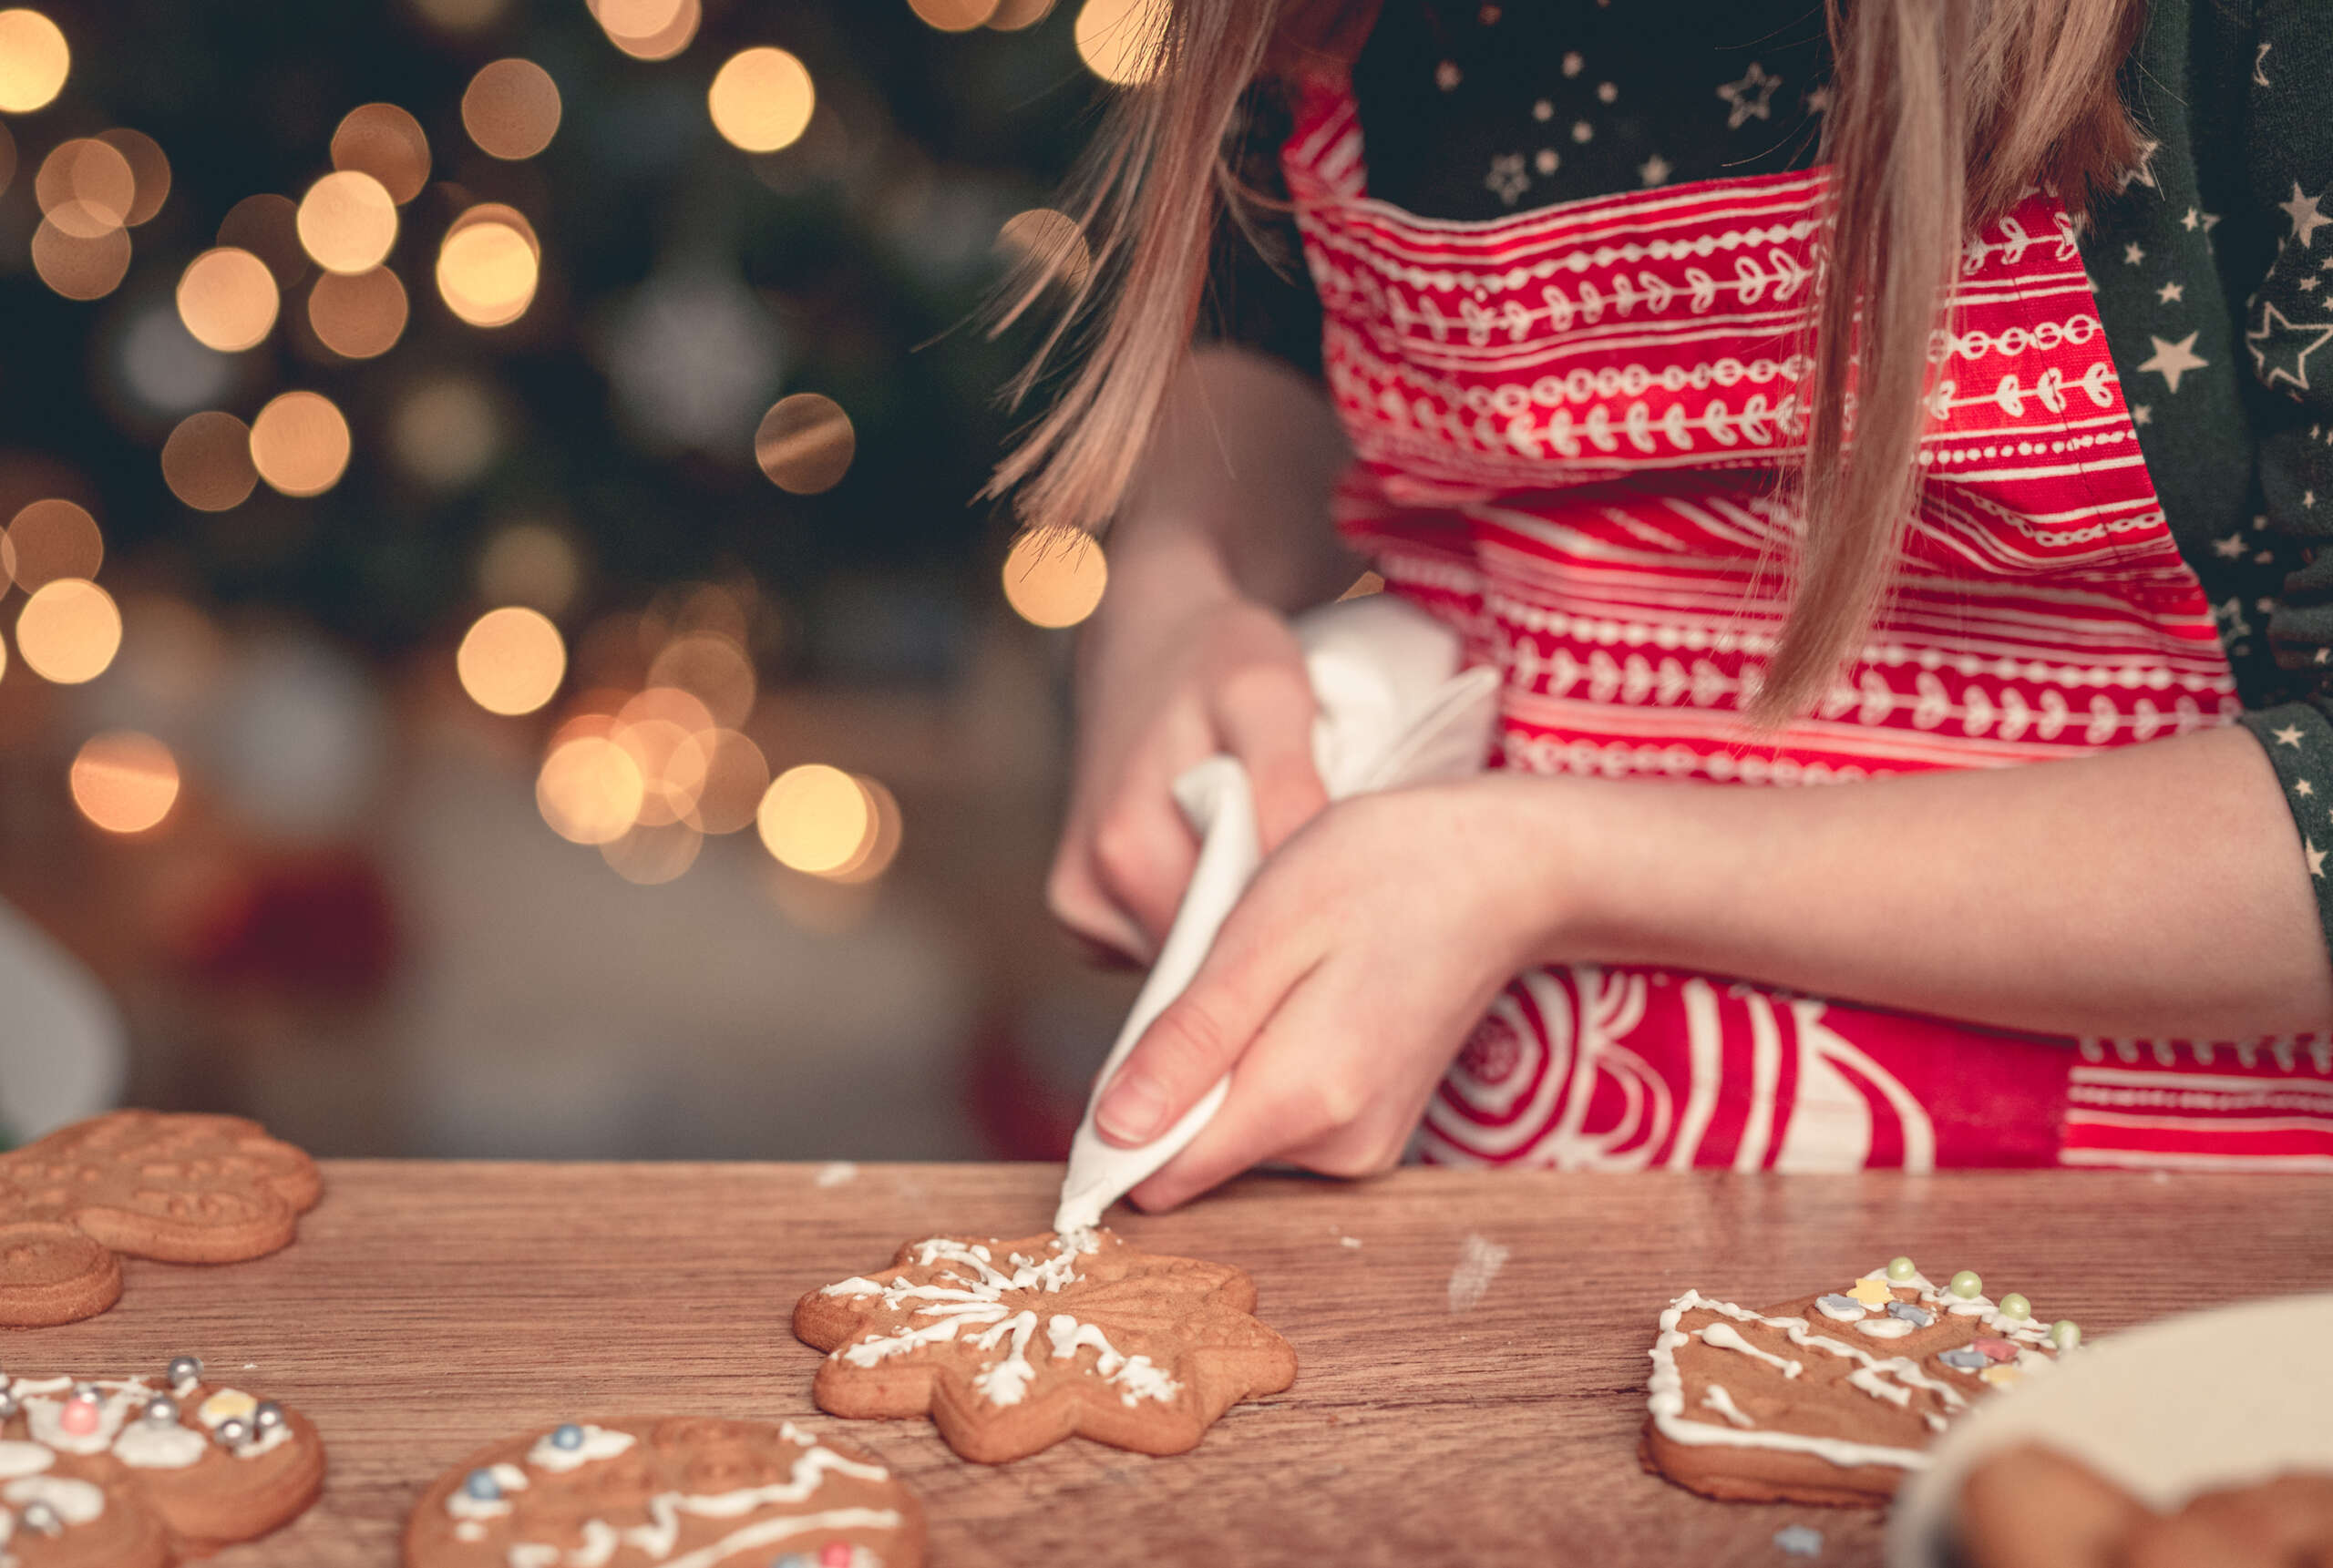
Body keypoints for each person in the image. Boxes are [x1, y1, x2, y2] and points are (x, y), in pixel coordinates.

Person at [997, 0, 2333, 1204]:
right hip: (1493, 1203)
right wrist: (1178, 577)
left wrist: (1552, 864)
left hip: (2166, 1259)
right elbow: (1269, 336)